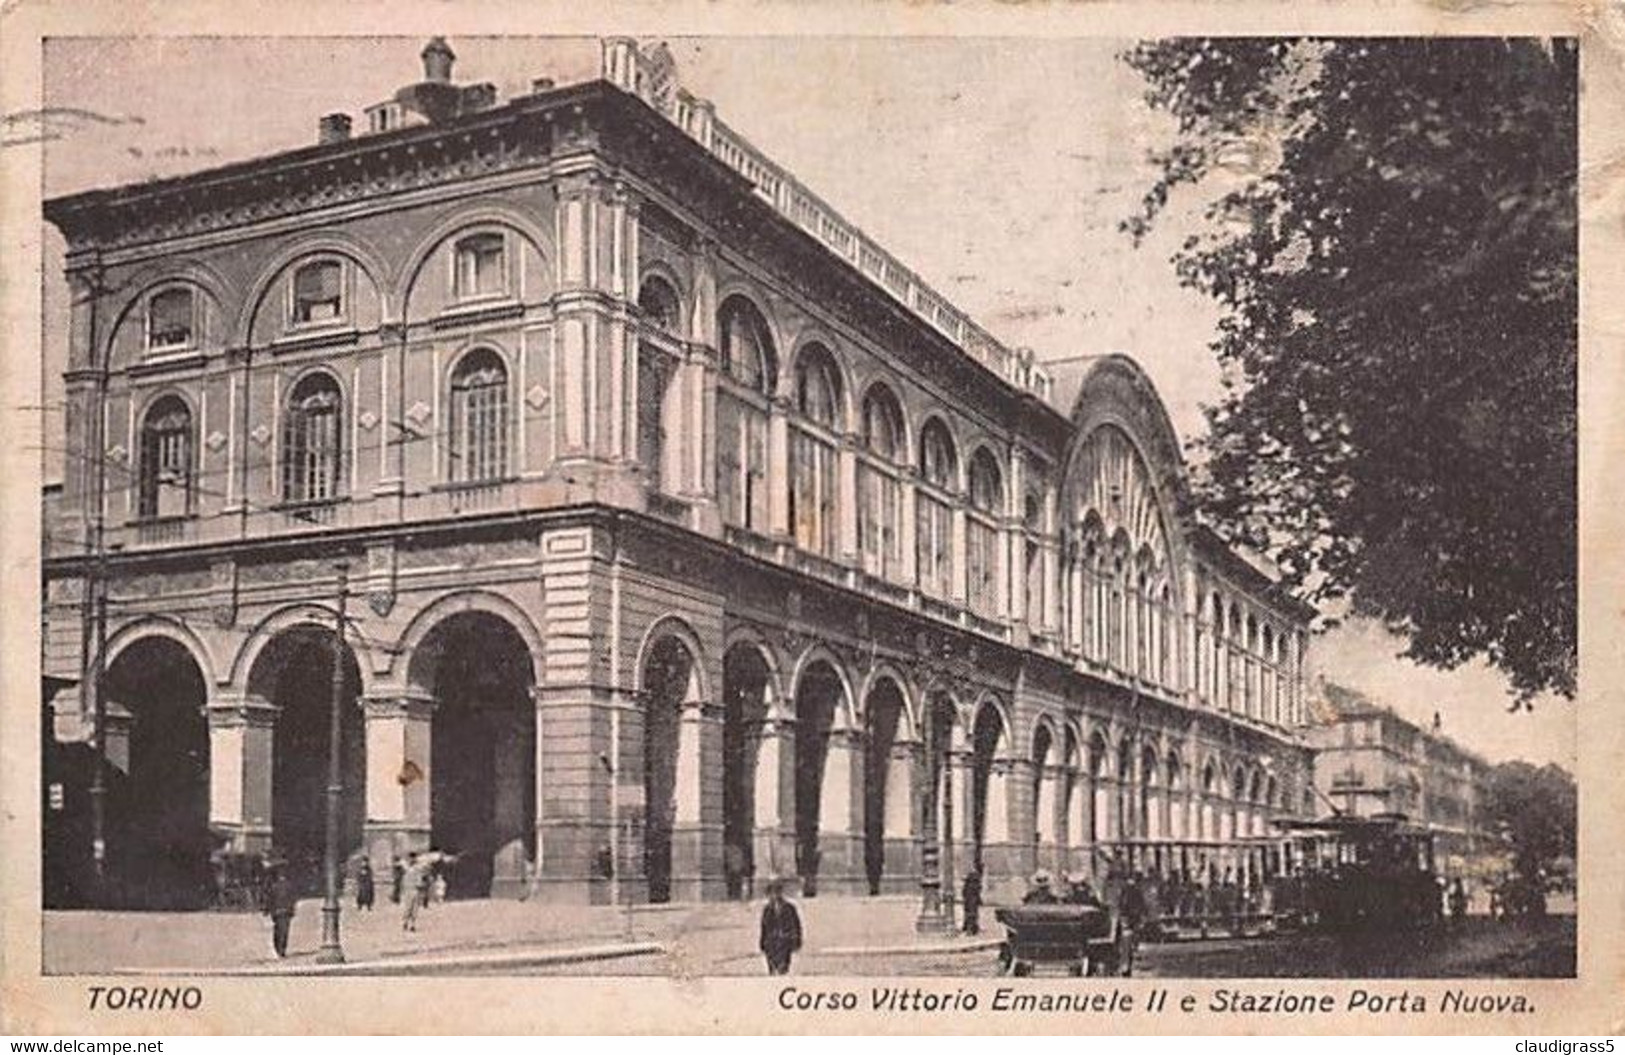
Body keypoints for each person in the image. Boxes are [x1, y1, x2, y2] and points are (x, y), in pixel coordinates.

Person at [758, 879, 803, 975]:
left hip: (785, 942)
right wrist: (762, 942)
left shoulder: (790, 908)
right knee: (772, 968)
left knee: (783, 968)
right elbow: (764, 927)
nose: (774, 896)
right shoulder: (767, 909)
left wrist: (797, 941)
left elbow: (796, 925)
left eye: (776, 892)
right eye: (771, 893)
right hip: (771, 943)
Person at [264, 861, 297, 958]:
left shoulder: (274, 886)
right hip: (285, 911)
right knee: (284, 931)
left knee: (278, 930)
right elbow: (293, 899)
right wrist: (292, 909)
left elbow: (269, 899)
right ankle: (282, 949)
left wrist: (267, 910)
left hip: (278, 912)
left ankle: (278, 948)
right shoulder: (289, 886)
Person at [400, 852, 426, 932]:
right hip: (408, 890)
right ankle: (405, 922)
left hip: (415, 890)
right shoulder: (407, 869)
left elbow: (420, 881)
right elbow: (403, 881)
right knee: (407, 908)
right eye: (411, 858)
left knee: (414, 908)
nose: (412, 859)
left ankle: (412, 924)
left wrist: (420, 885)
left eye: (413, 858)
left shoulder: (417, 869)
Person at [961, 869, 983, 935]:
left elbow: (964, 892)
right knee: (972, 914)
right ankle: (971, 929)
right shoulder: (976, 885)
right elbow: (977, 893)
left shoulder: (968, 885)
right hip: (972, 901)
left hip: (969, 901)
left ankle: (969, 928)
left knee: (969, 914)